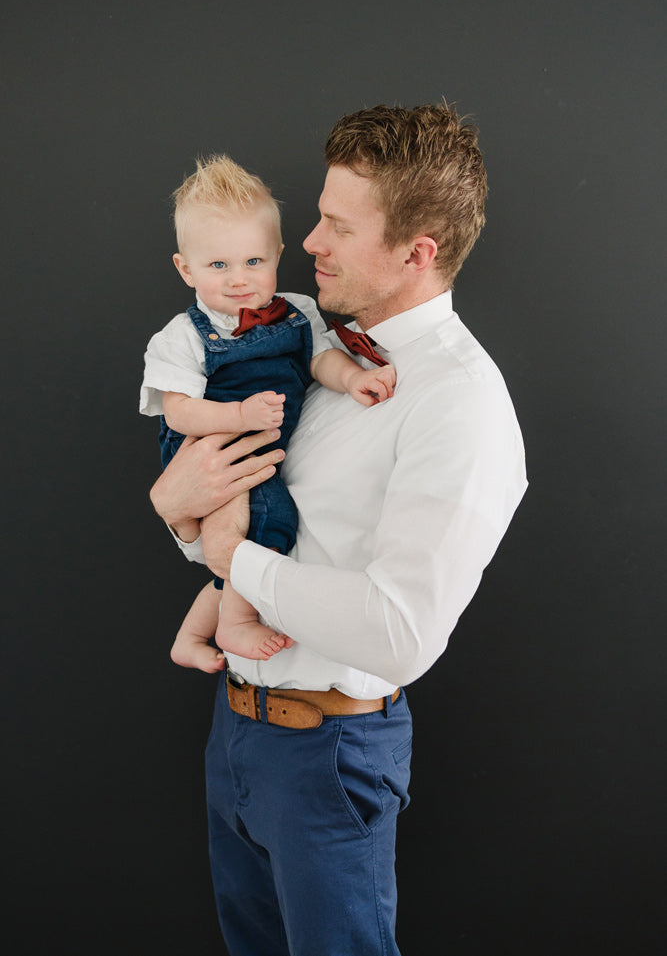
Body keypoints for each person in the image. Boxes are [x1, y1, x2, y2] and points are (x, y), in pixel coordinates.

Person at [150, 103, 528, 956]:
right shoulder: (323, 355)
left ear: (415, 252)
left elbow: (400, 633)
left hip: (327, 755)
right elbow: (257, 525)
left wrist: (229, 556)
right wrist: (182, 517)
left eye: (334, 224)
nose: (309, 241)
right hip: (238, 729)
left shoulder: (459, 404)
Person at [140, 154, 396, 671]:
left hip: (260, 442)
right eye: (218, 266)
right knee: (263, 520)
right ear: (184, 267)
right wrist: (237, 417)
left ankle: (192, 635)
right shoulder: (182, 336)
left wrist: (354, 378)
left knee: (248, 539)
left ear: (277, 254)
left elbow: (322, 357)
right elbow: (181, 413)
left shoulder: (298, 310)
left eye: (253, 262)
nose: (238, 280)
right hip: (211, 445)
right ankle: (233, 624)